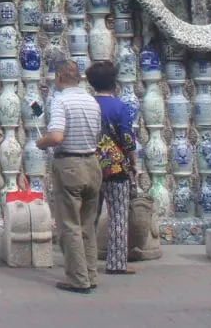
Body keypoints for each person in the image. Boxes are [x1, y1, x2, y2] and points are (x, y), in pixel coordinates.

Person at [37, 60, 103, 294]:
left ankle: (78, 279)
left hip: (70, 165)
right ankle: (91, 274)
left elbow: (56, 136)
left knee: (70, 225)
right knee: (87, 225)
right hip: (92, 163)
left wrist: (41, 142)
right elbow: (97, 133)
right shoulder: (91, 101)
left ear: (59, 77)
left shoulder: (61, 100)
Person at [86, 60, 137, 276]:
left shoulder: (88, 105)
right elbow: (127, 139)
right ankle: (116, 263)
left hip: (90, 164)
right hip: (116, 168)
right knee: (118, 215)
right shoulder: (120, 107)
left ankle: (86, 261)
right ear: (114, 82)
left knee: (89, 216)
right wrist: (133, 161)